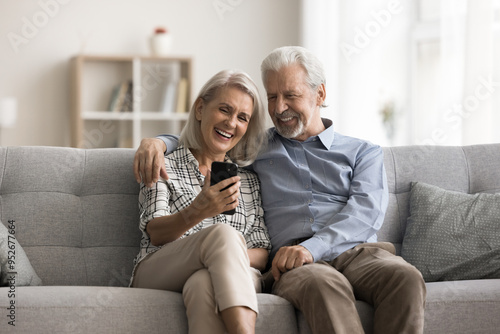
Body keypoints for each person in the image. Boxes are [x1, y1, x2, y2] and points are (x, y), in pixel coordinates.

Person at [134, 46, 426, 334]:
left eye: (290, 95)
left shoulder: (363, 152)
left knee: (406, 277)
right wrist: (158, 142)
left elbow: (365, 213)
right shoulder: (256, 148)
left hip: (358, 252)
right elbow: (211, 139)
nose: (278, 108)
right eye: (272, 96)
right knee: (323, 285)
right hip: (292, 262)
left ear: (320, 94)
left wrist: (311, 249)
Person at [130, 69, 271, 334]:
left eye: (242, 117)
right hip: (158, 268)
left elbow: (262, 254)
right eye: (224, 110)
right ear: (199, 109)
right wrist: (198, 211)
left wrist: (220, 258)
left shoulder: (249, 181)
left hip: (237, 273)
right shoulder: (163, 164)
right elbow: (156, 233)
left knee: (203, 282)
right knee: (221, 234)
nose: (231, 123)